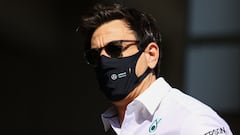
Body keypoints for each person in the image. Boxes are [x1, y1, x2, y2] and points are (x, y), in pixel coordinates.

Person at [77, 2, 233, 135]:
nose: (104, 60)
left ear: (151, 55)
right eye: (95, 56)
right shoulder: (111, 126)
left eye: (115, 48)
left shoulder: (192, 120)